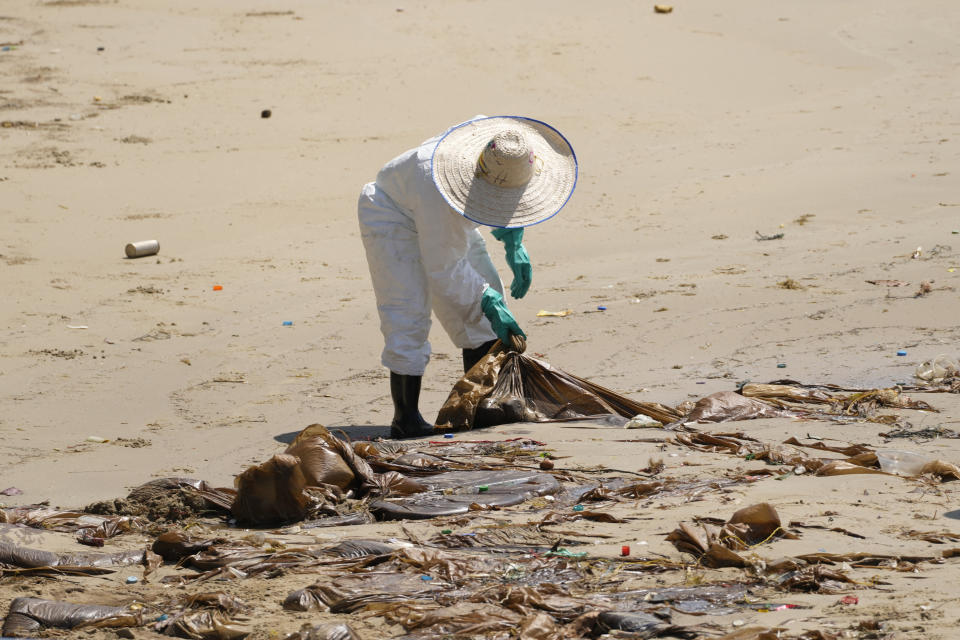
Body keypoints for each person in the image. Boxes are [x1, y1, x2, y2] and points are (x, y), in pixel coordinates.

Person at [358, 115, 577, 438]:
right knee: (408, 309)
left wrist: (513, 239)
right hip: (392, 213)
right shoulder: (436, 188)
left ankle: (479, 402)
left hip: (443, 212)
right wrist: (486, 300)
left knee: (486, 293)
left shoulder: (498, 144)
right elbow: (443, 267)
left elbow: (504, 187)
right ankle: (406, 419)